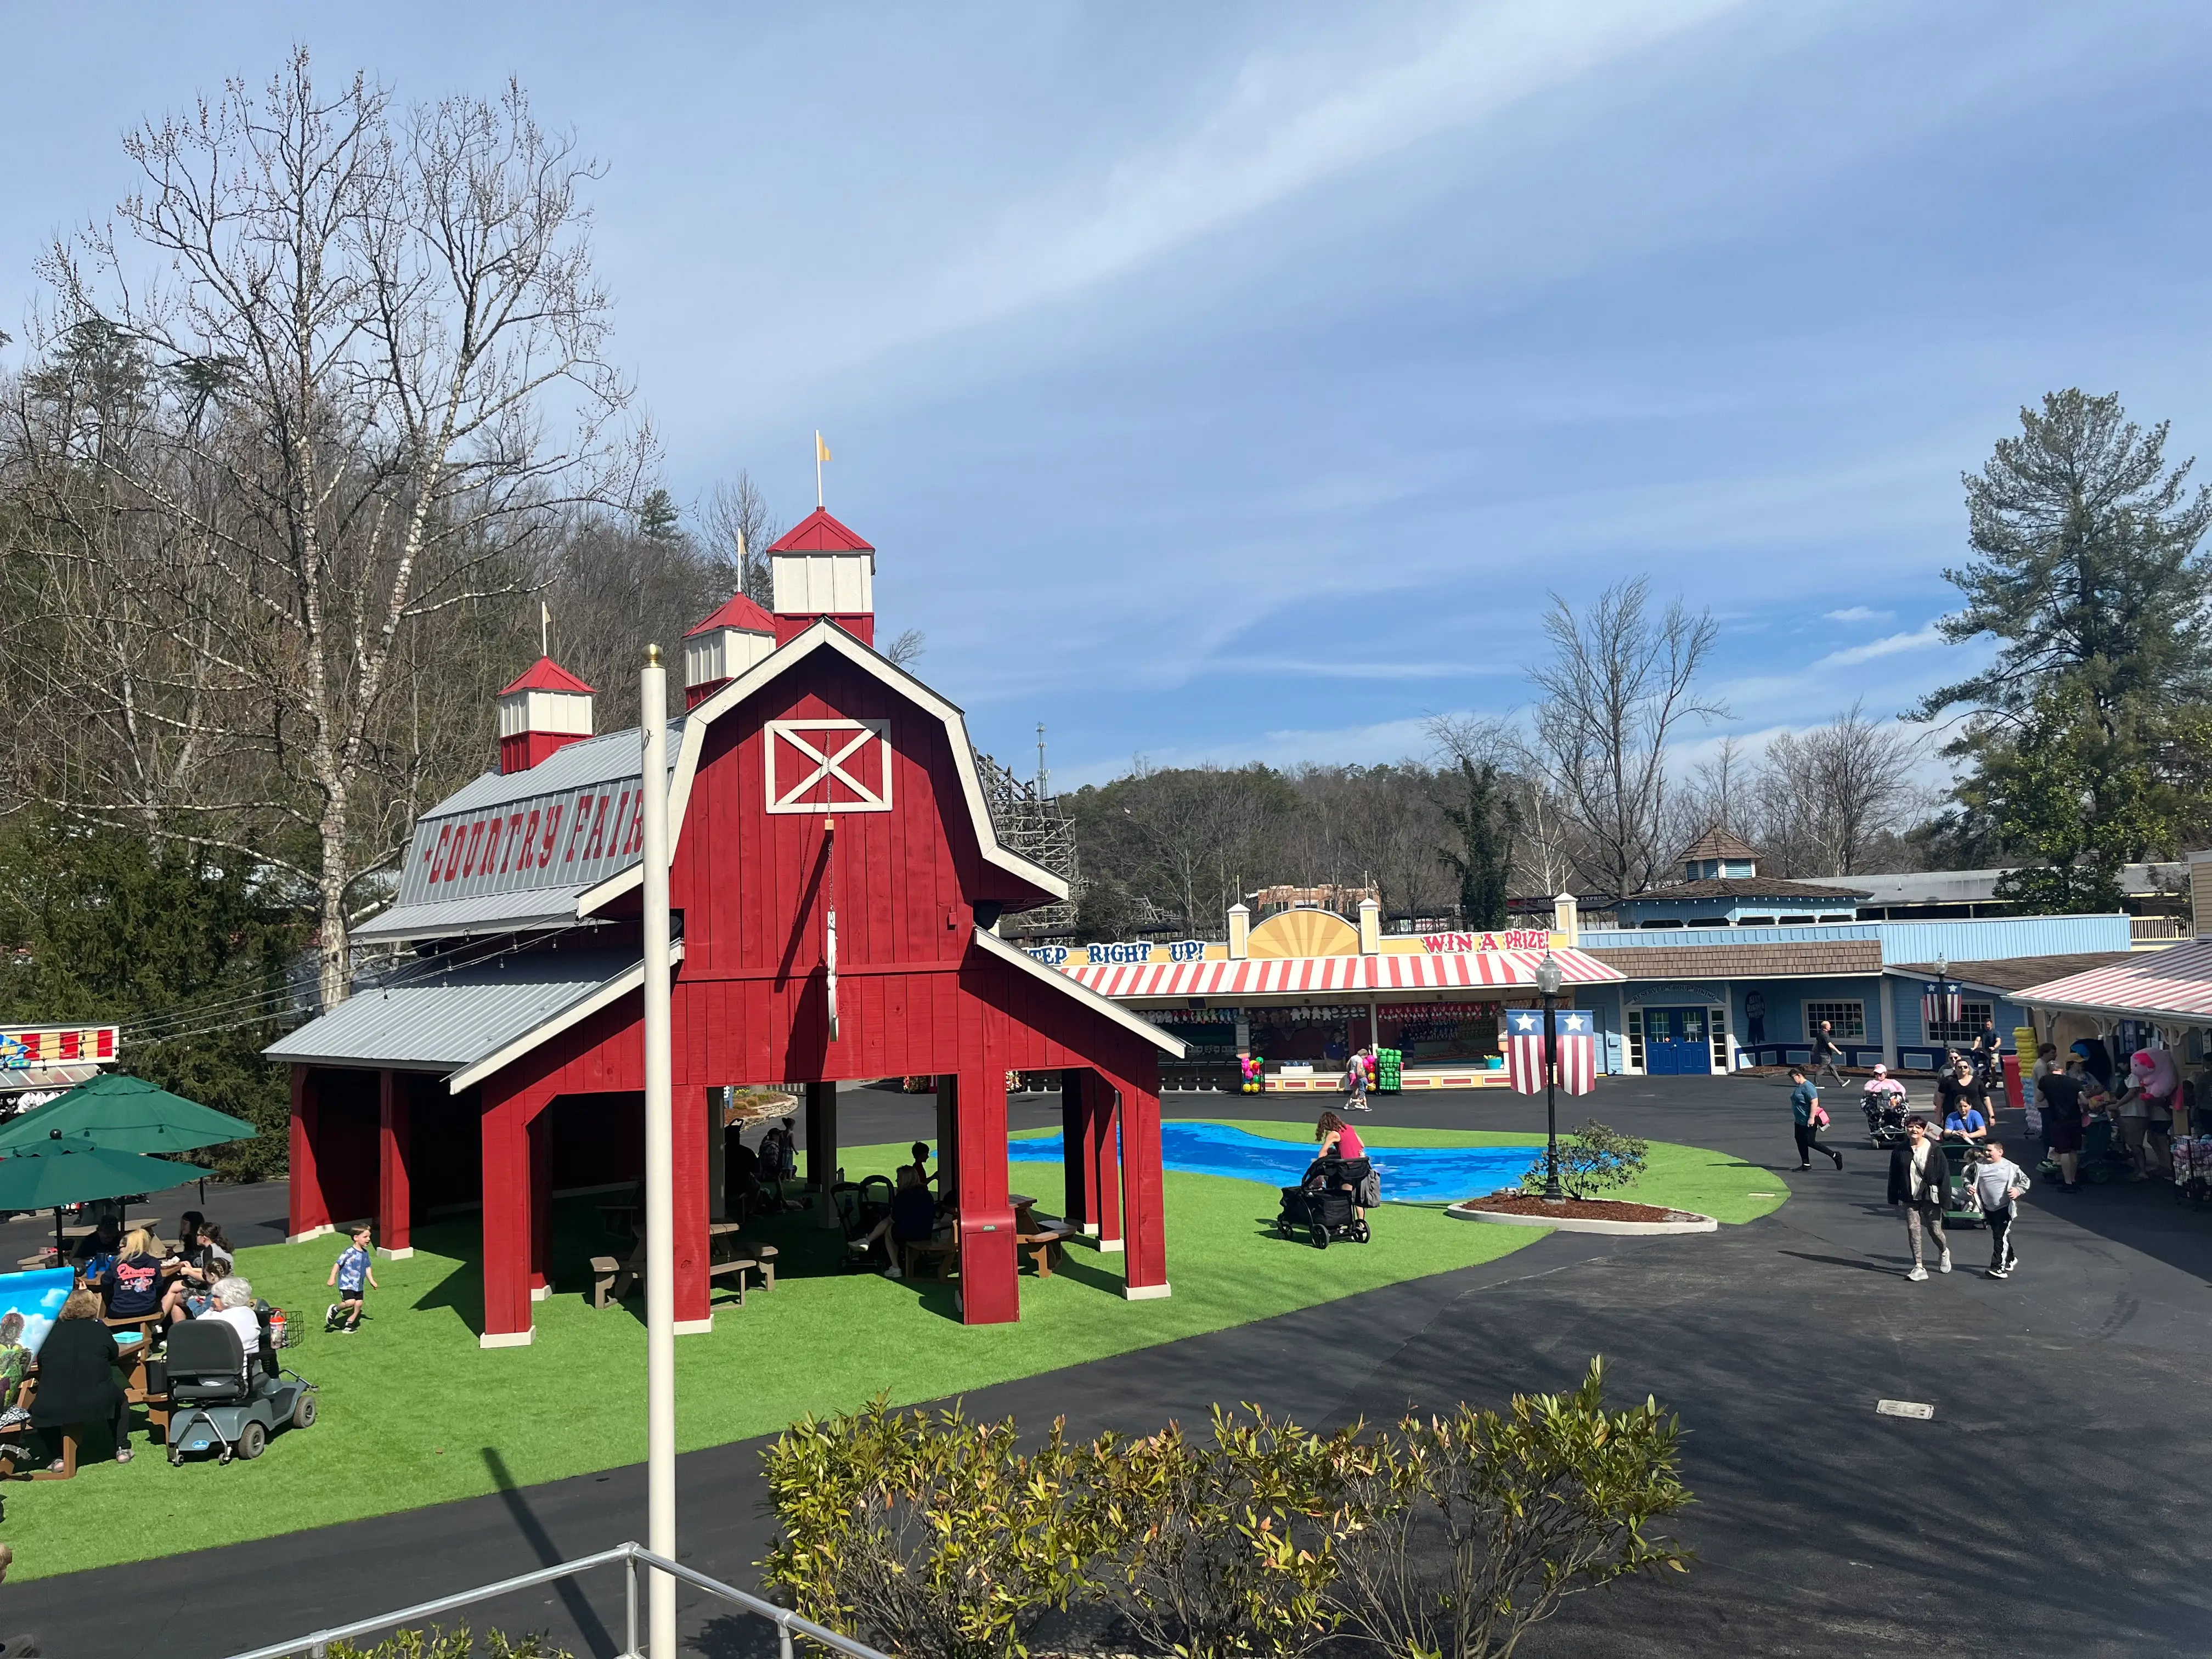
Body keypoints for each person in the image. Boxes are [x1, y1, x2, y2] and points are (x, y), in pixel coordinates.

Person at [30, 1286, 129, 1468]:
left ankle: (57, 1456)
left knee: (39, 1407)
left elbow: (42, 1364)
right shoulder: (100, 1329)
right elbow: (114, 1354)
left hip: (51, 1404)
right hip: (97, 1399)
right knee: (121, 1399)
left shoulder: (49, 1333)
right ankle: (122, 1447)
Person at [1888, 1116, 1951, 1281]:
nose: (1914, 1130)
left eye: (1918, 1127)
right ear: (1906, 1129)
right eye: (1910, 1127)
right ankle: (1919, 1266)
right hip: (1910, 1196)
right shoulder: (1900, 1150)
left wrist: (1946, 1201)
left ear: (1924, 1130)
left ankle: (1944, 1251)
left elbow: (1945, 1176)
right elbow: (1894, 1175)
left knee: (1935, 1230)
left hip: (1930, 1196)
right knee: (1913, 1229)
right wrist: (1893, 1198)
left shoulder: (1935, 1150)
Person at [850, 1165, 942, 1279]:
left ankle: (894, 1266)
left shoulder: (903, 1196)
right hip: (926, 1232)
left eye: (899, 1178)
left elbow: (894, 1218)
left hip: (908, 1233)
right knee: (890, 1223)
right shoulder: (927, 1194)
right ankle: (867, 1241)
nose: (897, 1181)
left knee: (889, 1227)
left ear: (905, 1179)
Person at [1970, 1140, 2031, 1278]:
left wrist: (2017, 1190)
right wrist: (1969, 1186)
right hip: (1987, 1207)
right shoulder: (1978, 1165)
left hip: (2004, 1208)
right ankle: (2010, 1258)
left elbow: (2026, 1181)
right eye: (1985, 1150)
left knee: (1999, 1236)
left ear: (2000, 1152)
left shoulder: (2011, 1168)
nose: (1986, 1153)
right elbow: (1967, 1177)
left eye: (1990, 1150)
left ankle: (1998, 1267)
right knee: (2000, 1235)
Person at [2039, 1056, 2092, 1190]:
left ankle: (2067, 1182)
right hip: (2075, 1118)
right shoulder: (2074, 1082)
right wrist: (2085, 1112)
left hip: (2058, 1119)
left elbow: (2039, 1098)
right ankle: (2074, 1179)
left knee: (2064, 1151)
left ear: (2049, 1071)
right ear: (2061, 1070)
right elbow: (2085, 1102)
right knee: (2074, 1150)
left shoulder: (2045, 1081)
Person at [100, 1227, 168, 1325]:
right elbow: (159, 1285)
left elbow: (106, 1282)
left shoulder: (117, 1262)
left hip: (119, 1310)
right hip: (147, 1308)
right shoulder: (153, 1262)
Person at [1787, 1067, 1843, 1171]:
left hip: (1808, 1120)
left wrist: (1812, 1118)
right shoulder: (1799, 1086)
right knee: (1800, 1140)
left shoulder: (1808, 1087)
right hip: (1799, 1120)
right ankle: (1806, 1164)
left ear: (1799, 1075)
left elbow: (1814, 1102)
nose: (1792, 1080)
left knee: (1810, 1142)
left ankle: (1835, 1155)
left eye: (1793, 1078)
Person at [325, 1224, 378, 1333]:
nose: (368, 1239)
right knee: (350, 1302)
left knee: (359, 1304)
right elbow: (337, 1265)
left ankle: (348, 1324)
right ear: (356, 1238)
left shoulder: (365, 1253)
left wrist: (372, 1281)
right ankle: (335, 1309)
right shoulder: (349, 1252)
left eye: (369, 1237)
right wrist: (332, 1278)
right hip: (347, 1284)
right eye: (365, 1237)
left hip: (358, 1285)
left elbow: (367, 1268)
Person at [198, 1276, 262, 1356]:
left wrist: (211, 1308)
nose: (212, 1300)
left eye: (216, 1297)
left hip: (222, 1363)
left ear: (227, 1297)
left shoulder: (217, 1317)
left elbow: (198, 1323)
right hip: (250, 1364)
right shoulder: (250, 1313)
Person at [1809, 1022, 1846, 1088]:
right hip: (1826, 1055)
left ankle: (1841, 1082)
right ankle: (1816, 1084)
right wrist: (1838, 1052)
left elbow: (1816, 1043)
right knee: (1822, 1069)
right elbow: (1830, 1045)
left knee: (1833, 1069)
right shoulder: (1825, 1035)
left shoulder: (1820, 1034)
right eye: (1829, 1026)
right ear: (1825, 1027)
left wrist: (1813, 1050)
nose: (1830, 1027)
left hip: (1827, 1055)